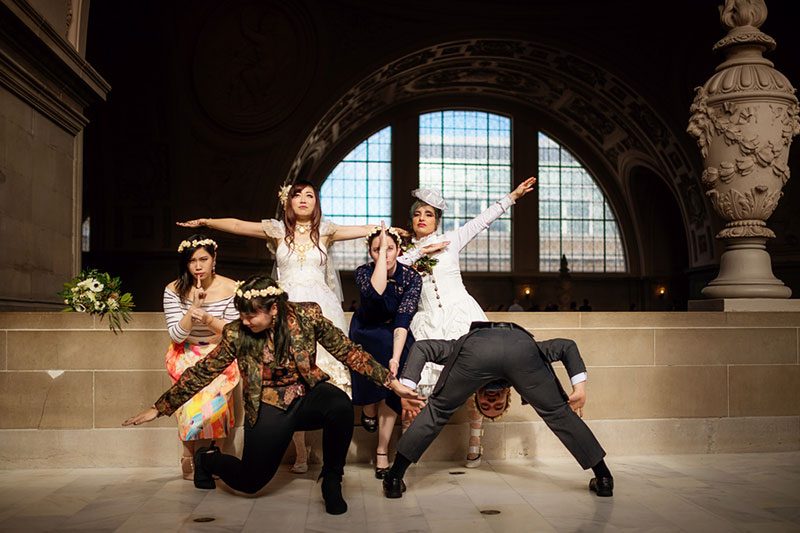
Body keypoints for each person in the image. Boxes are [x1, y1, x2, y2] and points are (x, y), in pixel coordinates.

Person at [123, 275, 419, 515]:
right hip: (268, 405)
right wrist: (159, 406)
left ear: (273, 309)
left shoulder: (307, 316)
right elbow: (203, 371)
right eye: (241, 315)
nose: (244, 321)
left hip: (306, 396)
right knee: (251, 482)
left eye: (251, 316)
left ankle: (332, 479)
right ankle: (207, 459)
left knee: (340, 403)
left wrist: (392, 384)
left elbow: (349, 352)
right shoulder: (238, 333)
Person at [177, 180, 398, 473]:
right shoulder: (277, 231)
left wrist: (387, 230)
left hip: (320, 307)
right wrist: (207, 222)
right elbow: (239, 225)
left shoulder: (327, 231)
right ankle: (300, 452)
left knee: (326, 378)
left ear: (316, 202)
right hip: (285, 307)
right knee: (288, 377)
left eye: (310, 195)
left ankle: (333, 465)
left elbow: (365, 229)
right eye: (298, 195)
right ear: (288, 201)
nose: (304, 200)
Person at [383, 321, 614, 499]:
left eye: (487, 405)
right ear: (508, 395)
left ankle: (394, 478)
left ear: (476, 396)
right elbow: (567, 346)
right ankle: (603, 477)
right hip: (520, 348)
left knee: (438, 410)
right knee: (559, 413)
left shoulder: (457, 348)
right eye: (496, 405)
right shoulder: (532, 351)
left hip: (476, 348)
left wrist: (407, 388)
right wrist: (579, 389)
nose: (491, 400)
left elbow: (423, 347)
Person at [397, 176, 536, 468]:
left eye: (429, 214)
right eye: (418, 214)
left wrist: (512, 196)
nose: (423, 218)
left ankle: (475, 442)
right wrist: (421, 252)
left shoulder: (451, 240)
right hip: (428, 321)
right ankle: (406, 452)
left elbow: (482, 221)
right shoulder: (405, 253)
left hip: (462, 316)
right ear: (412, 221)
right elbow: (390, 271)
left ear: (437, 220)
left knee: (476, 381)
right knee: (418, 386)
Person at [163, 235, 240, 480]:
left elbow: (232, 331)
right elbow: (176, 334)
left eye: (203, 259)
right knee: (190, 402)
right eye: (192, 261)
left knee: (216, 404)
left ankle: (213, 456)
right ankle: (188, 455)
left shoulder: (231, 288)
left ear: (214, 259)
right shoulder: (173, 290)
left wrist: (205, 317)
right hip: (185, 351)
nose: (198, 266)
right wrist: (193, 309)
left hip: (219, 351)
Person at [349, 223, 422, 478]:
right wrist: (381, 245)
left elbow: (403, 319)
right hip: (365, 331)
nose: (385, 253)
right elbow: (376, 292)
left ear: (399, 249)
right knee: (373, 380)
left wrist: (395, 357)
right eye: (378, 249)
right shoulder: (362, 272)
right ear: (370, 253)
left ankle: (382, 451)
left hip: (395, 334)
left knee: (395, 379)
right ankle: (368, 406)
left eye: (390, 248)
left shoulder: (412, 277)